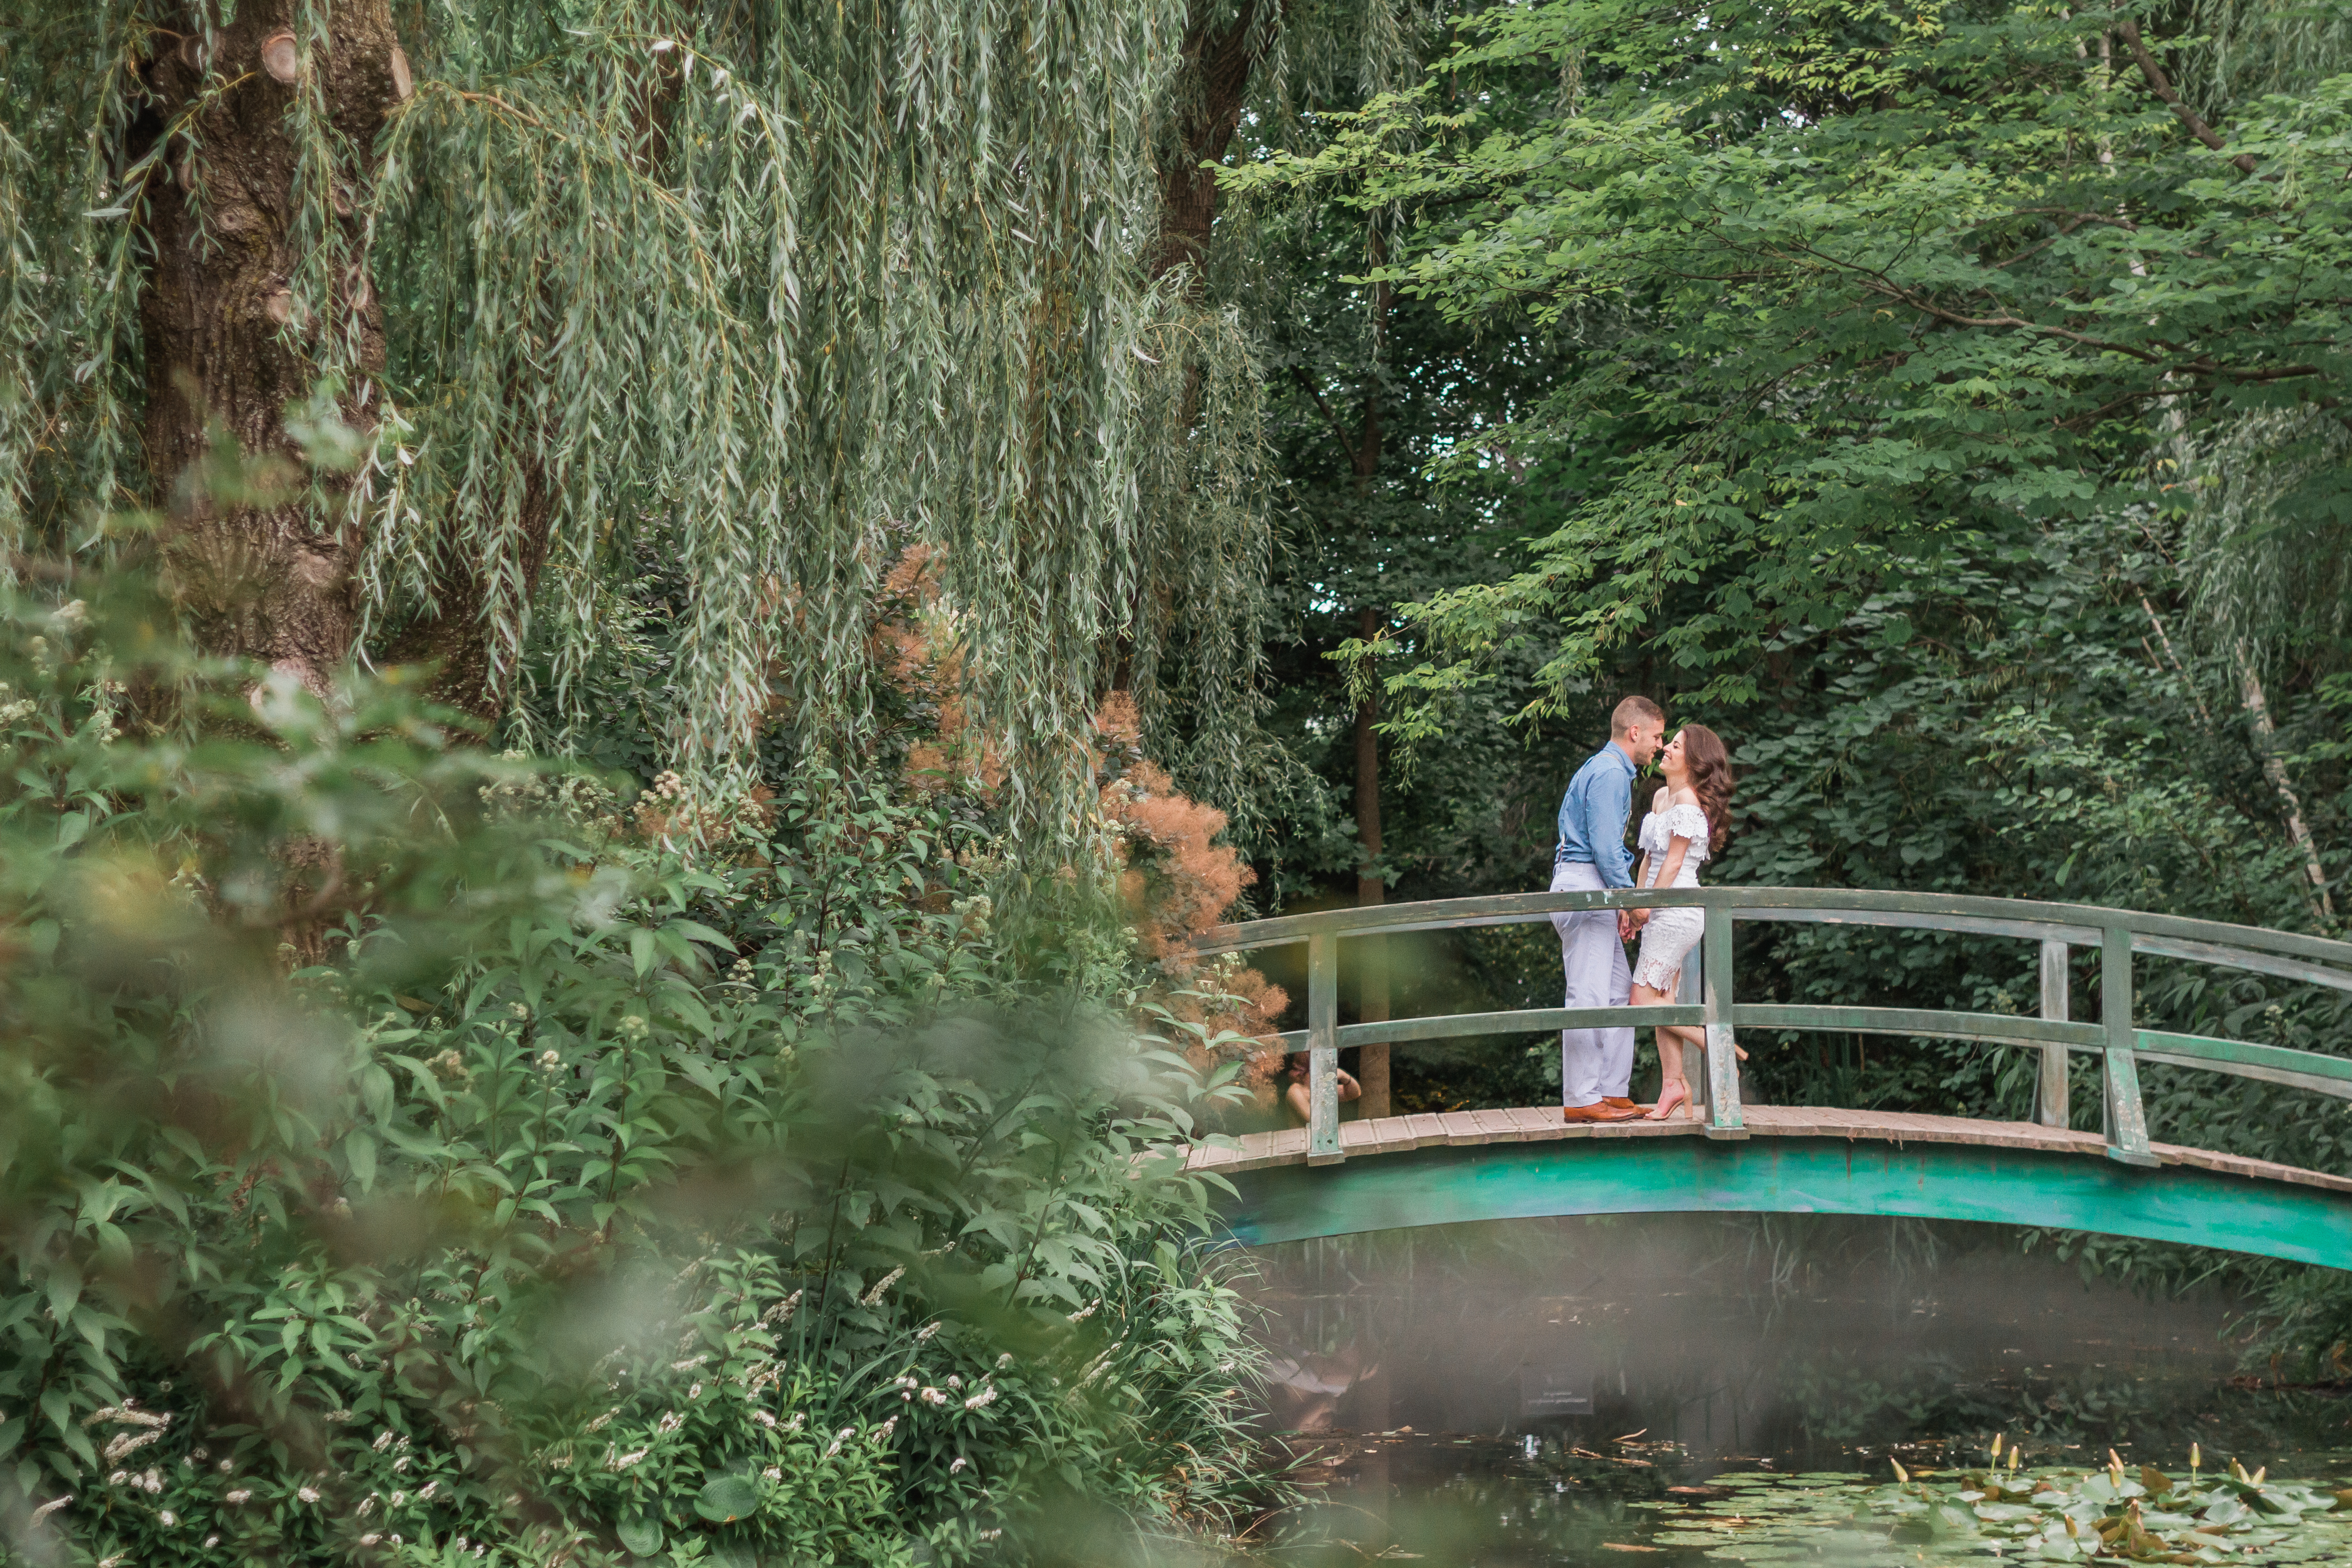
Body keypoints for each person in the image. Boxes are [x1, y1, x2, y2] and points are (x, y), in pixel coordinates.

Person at [1550, 695, 1665, 1123]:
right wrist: (1631, 903)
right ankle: (1581, 1097)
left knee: (1618, 991)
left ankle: (1612, 1091)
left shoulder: (1613, 771)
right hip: (1582, 884)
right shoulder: (1610, 772)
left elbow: (1607, 849)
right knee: (1590, 993)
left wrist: (1616, 900)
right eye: (1656, 735)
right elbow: (1602, 847)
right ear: (1635, 732)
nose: (1659, 744)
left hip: (1594, 886)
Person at [1629, 724, 1740, 1120]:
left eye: (1675, 746)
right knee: (1663, 1002)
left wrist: (1649, 907)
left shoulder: (1689, 802)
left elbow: (1675, 863)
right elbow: (1648, 859)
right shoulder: (1661, 796)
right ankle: (1674, 1086)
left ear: (1693, 763)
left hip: (1678, 911)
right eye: (1670, 743)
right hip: (1659, 906)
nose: (1667, 750)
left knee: (1641, 1001)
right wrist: (1635, 908)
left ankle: (1716, 1041)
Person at [1280, 1050, 1360, 1126]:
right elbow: (1318, 1123)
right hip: (1305, 1139)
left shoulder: (1318, 1088)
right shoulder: (1295, 1091)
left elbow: (1355, 1093)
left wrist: (1343, 1076)